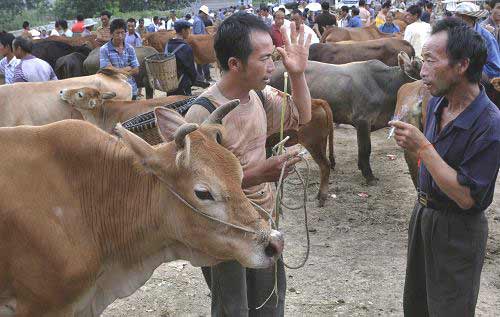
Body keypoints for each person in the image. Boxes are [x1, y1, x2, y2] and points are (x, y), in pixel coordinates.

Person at [185, 12, 311, 317]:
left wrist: (297, 73)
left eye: (273, 57)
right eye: (264, 59)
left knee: (269, 304)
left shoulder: (260, 96)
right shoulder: (203, 115)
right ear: (234, 64)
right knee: (234, 309)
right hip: (224, 230)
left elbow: (302, 115)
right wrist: (259, 174)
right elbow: (199, 190)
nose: (271, 66)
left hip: (263, 220)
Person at [390, 17, 500, 317]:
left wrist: (422, 147)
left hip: (458, 230)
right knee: (417, 305)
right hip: (424, 216)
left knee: (449, 309)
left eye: (430, 60)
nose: (422, 70)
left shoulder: (490, 124)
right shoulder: (439, 102)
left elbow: (466, 197)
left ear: (461, 65)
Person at [452, 2, 500, 80]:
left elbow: (495, 69)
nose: (458, 20)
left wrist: (470, 68)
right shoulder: (455, 33)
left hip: (479, 83)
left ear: (472, 19)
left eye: (462, 17)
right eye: (456, 16)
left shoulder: (487, 38)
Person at [99, 19, 139, 99]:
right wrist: (126, 70)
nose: (120, 36)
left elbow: (136, 69)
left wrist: (115, 71)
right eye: (117, 33)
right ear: (111, 34)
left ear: (125, 33)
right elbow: (106, 68)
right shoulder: (104, 49)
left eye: (122, 33)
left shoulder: (130, 48)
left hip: (131, 89)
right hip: (113, 91)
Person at [165, 20, 197, 95]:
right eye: (188, 29)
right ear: (183, 30)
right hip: (182, 85)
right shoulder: (186, 48)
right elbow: (191, 70)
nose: (189, 32)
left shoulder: (167, 45)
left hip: (169, 85)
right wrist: (192, 82)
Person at [193, 5, 212, 82]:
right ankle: (207, 78)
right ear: (203, 13)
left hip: (199, 45)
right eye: (205, 14)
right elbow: (198, 35)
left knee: (200, 63)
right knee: (204, 62)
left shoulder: (198, 20)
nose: (206, 16)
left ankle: (200, 78)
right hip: (200, 45)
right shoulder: (198, 21)